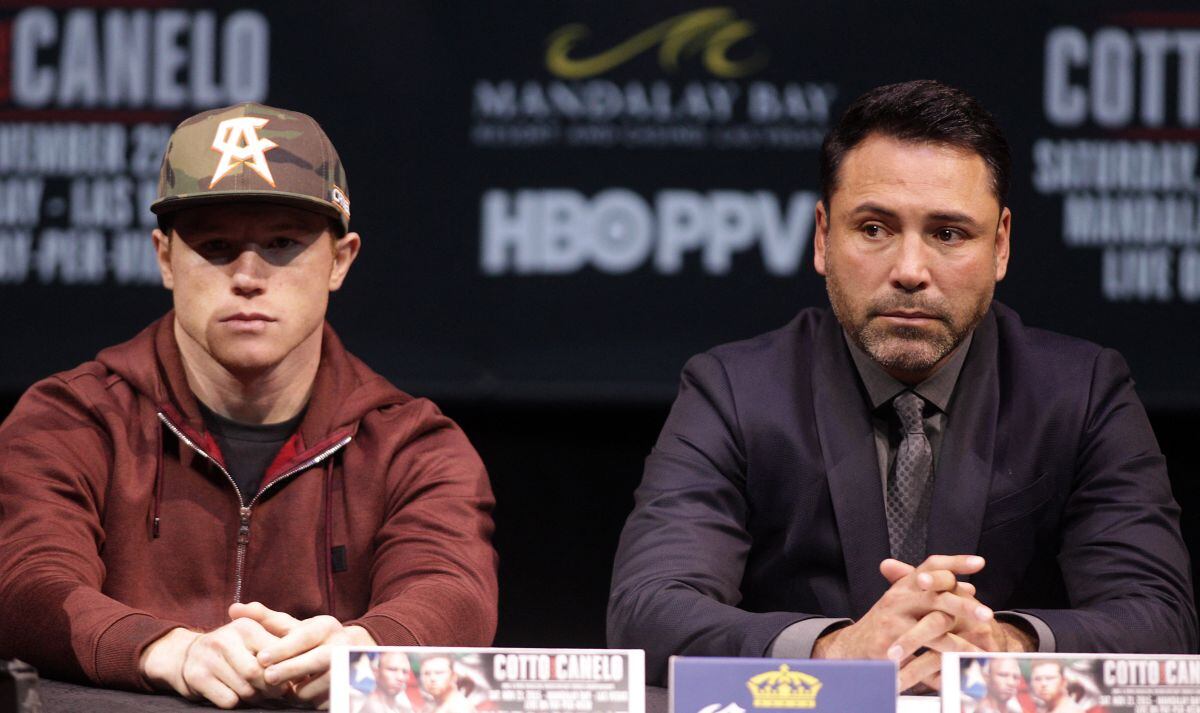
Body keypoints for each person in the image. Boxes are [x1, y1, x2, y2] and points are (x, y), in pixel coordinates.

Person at [606, 80, 1197, 687]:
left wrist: (1002, 643)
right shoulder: (733, 389)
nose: (910, 271)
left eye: (948, 234)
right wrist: (834, 653)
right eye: (873, 228)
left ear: (1000, 246)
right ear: (821, 237)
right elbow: (648, 610)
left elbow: (1159, 618)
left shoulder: (1082, 392)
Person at [0, 103, 499, 708]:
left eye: (283, 243)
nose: (248, 275)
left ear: (339, 261)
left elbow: (454, 589)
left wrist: (366, 649)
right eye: (215, 246)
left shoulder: (411, 444)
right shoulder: (71, 418)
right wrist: (165, 649)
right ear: (165, 258)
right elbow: (25, 581)